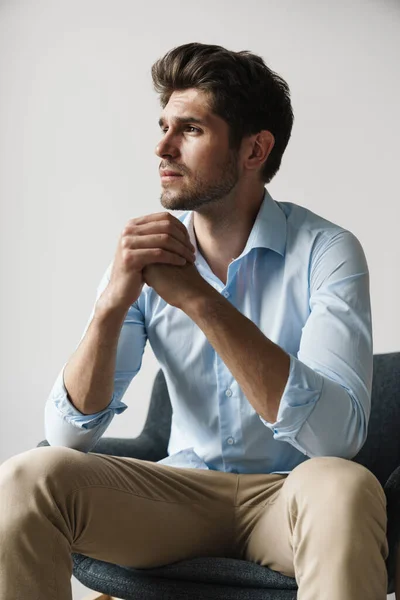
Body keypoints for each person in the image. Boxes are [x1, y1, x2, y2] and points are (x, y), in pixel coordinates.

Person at [0, 42, 389, 600]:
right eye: (163, 126)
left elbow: (337, 439)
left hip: (289, 500)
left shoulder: (327, 251)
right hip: (174, 498)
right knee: (25, 478)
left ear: (255, 149)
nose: (162, 147)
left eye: (191, 130)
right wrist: (111, 305)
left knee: (347, 487)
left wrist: (202, 302)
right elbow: (65, 435)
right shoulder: (150, 253)